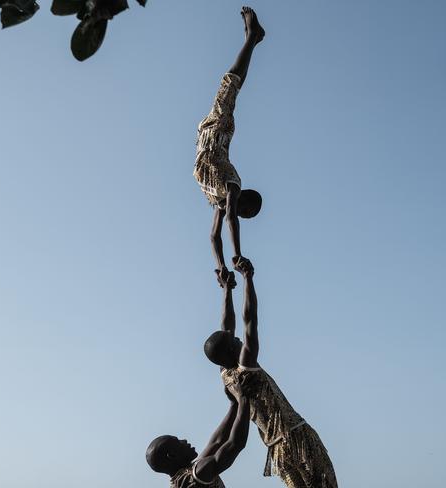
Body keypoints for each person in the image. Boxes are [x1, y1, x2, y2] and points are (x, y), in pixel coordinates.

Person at [204, 262, 338, 488]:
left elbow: (226, 327)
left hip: (276, 450)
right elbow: (250, 320)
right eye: (234, 342)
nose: (238, 339)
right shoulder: (246, 366)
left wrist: (226, 290)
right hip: (297, 437)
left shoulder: (227, 377)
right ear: (230, 351)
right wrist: (248, 279)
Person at [194, 6, 264, 281]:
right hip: (216, 134)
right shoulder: (232, 186)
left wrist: (222, 266)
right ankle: (251, 38)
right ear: (244, 204)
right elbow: (229, 223)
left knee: (233, 84)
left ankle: (253, 39)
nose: (240, 216)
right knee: (231, 82)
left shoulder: (219, 201)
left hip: (210, 137)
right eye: (245, 213)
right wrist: (236, 253)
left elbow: (214, 235)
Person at [146, 381, 250, 488]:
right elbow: (235, 444)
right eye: (178, 442)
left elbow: (216, 442)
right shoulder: (198, 475)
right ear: (172, 455)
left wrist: (234, 404)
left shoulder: (185, 476)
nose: (184, 440)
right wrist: (243, 400)